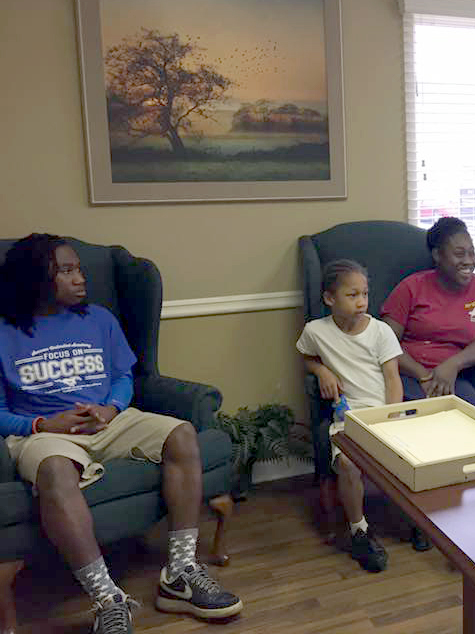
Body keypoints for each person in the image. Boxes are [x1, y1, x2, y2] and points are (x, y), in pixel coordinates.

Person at [0, 234, 241, 634]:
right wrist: (41, 425)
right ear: (38, 278)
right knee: (56, 471)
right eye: (67, 270)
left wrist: (110, 408)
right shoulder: (6, 333)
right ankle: (107, 598)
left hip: (109, 420)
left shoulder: (99, 319)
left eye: (79, 268)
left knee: (182, 434)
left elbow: (123, 377)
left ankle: (180, 572)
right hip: (44, 433)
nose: (81, 278)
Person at [296, 259, 404, 573]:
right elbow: (306, 356)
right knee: (347, 462)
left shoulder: (380, 332)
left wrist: (390, 416)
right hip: (348, 420)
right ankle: (359, 530)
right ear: (330, 299)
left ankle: (416, 523)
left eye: (365, 294)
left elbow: (393, 379)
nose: (361, 302)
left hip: (385, 415)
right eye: (352, 295)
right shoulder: (316, 331)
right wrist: (321, 370)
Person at [381, 218, 475, 408]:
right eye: (459, 254)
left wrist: (452, 365)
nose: (468, 261)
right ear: (437, 255)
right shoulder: (411, 287)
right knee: (420, 416)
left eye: (472, 253)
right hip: (407, 373)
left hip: (454, 376)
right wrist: (422, 374)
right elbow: (385, 342)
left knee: (471, 416)